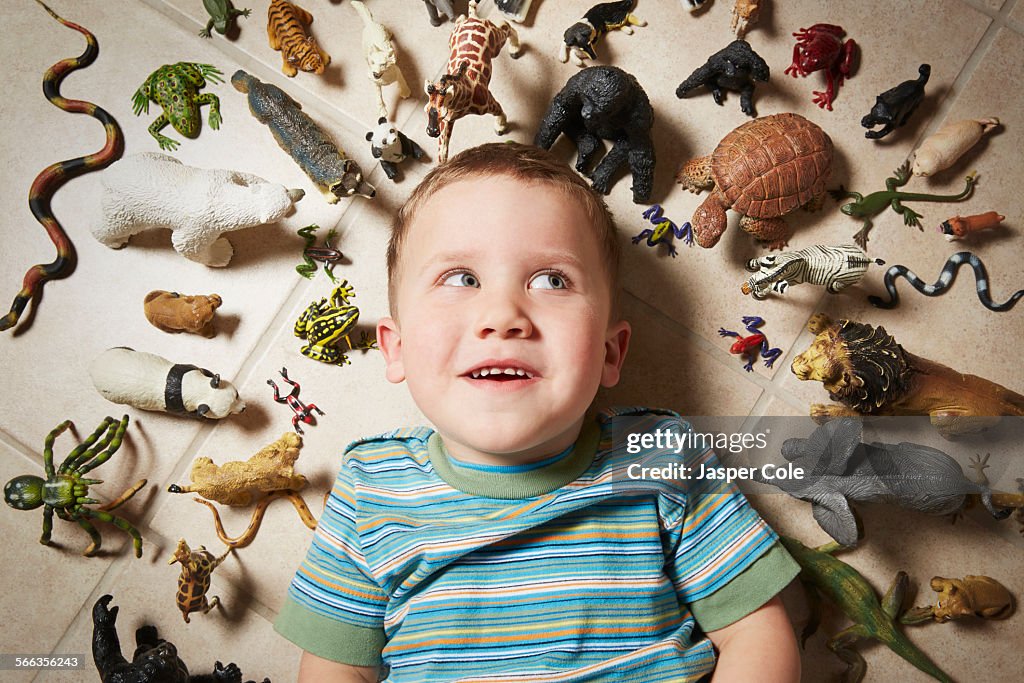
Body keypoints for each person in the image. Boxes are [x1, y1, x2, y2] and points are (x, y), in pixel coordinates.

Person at [275, 142, 801, 682]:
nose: (503, 316)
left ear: (608, 353)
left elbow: (754, 633)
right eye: (461, 278)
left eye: (552, 280)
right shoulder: (371, 485)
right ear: (397, 348)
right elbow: (335, 670)